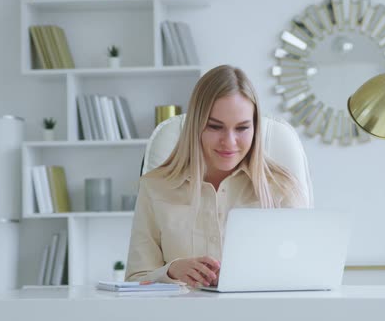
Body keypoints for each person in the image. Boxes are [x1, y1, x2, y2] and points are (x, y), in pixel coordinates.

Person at [125, 65, 307, 287]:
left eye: (242, 128)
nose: (229, 142)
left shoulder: (282, 187)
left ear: (255, 128)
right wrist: (170, 272)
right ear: (195, 126)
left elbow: (302, 277)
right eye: (214, 127)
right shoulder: (155, 186)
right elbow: (135, 280)